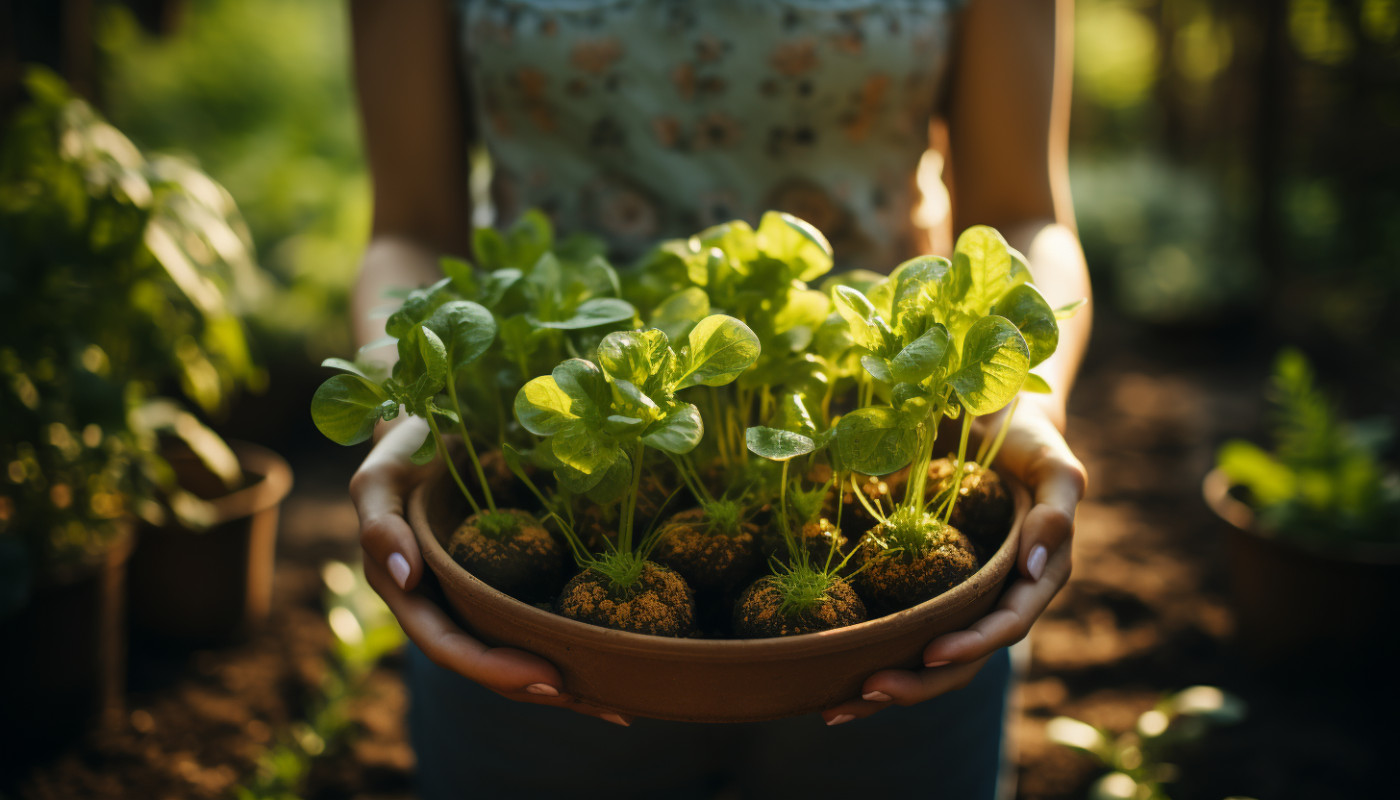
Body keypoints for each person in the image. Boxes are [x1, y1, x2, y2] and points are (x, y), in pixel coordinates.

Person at [347, 0, 1089, 797]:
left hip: (878, 476)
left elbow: (1021, 214)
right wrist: (414, 406)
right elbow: (411, 226)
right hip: (540, 504)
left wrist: (1023, 412)